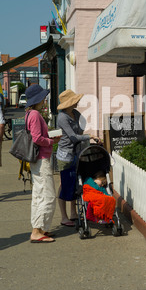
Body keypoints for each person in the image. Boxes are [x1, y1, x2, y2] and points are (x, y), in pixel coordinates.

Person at [56, 89, 100, 226]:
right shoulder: (62, 117)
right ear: (69, 103)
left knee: (75, 182)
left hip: (76, 153)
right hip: (65, 155)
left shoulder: (75, 114)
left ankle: (73, 212)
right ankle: (64, 217)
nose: (78, 102)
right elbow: (74, 137)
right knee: (64, 184)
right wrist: (90, 136)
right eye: (75, 101)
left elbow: (80, 128)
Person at [25, 84, 61, 243]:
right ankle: (37, 231)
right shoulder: (35, 115)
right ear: (38, 99)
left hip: (36, 160)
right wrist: (52, 141)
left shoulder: (29, 114)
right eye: (43, 97)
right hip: (41, 159)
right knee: (48, 196)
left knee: (39, 195)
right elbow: (37, 139)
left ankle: (40, 229)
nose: (45, 99)